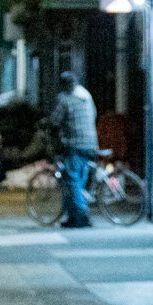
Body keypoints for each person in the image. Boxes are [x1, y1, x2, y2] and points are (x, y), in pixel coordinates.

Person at [49, 66, 98, 229]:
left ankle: (82, 214)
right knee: (79, 180)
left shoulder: (64, 98)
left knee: (71, 178)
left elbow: (54, 121)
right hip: (91, 143)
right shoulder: (86, 96)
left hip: (75, 143)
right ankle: (72, 216)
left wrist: (54, 134)